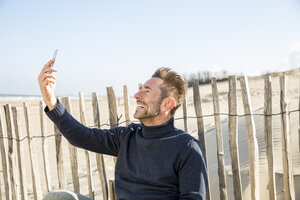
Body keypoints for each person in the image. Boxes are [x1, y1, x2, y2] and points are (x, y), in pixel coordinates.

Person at [38, 59, 208, 200]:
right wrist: (51, 101)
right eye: (140, 88)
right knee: (57, 197)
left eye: (146, 91)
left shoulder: (186, 147)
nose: (137, 95)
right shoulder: (127, 136)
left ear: (167, 104)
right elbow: (82, 136)